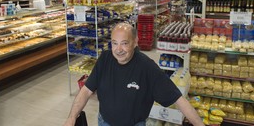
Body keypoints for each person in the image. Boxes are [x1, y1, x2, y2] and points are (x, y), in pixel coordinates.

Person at [64, 22, 204, 126]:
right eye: (114, 43)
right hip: (104, 122)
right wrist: (71, 117)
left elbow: (179, 100)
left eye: (124, 43)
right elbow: (86, 90)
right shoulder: (105, 59)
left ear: (135, 42)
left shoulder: (147, 67)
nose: (118, 49)